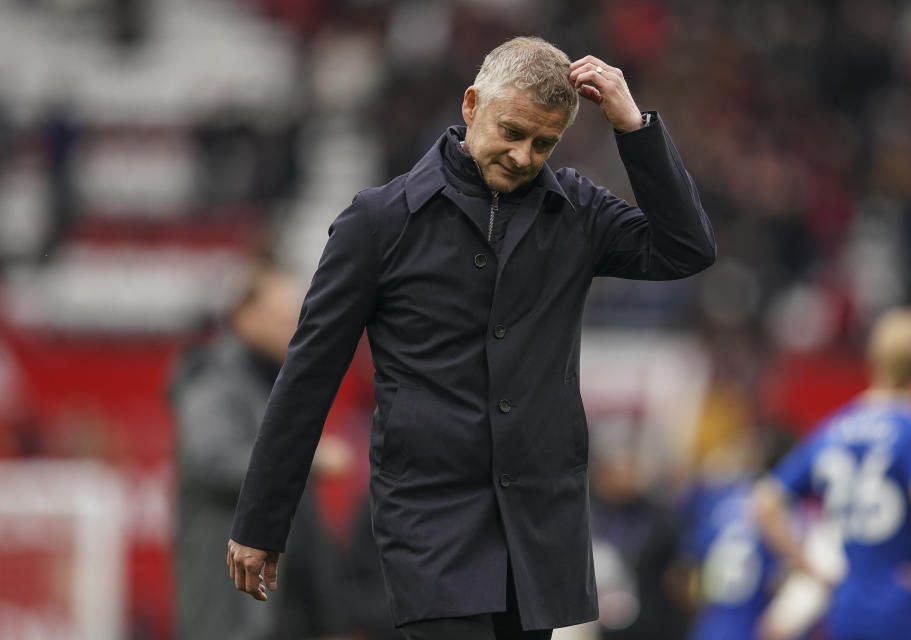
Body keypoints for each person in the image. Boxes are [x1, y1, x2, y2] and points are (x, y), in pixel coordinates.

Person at [227, 36, 716, 640]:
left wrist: (633, 126)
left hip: (537, 528)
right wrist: (260, 522)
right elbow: (308, 377)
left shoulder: (578, 213)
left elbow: (687, 248)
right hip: (428, 524)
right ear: (470, 105)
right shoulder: (379, 222)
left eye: (543, 143)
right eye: (511, 131)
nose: (521, 154)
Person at [752, 308, 911, 640]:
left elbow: (765, 501)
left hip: (846, 606)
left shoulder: (835, 427)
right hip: (908, 606)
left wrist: (810, 569)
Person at [172, 263, 348, 640]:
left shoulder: (274, 378)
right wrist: (307, 462)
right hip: (231, 602)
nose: (294, 325)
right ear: (244, 315)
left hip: (287, 600)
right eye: (283, 315)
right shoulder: (213, 378)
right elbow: (212, 460)